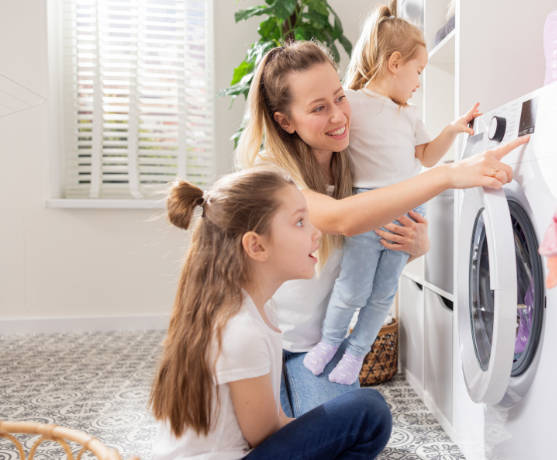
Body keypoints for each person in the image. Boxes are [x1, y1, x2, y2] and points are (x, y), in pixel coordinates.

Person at [237, 41, 528, 416]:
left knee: (359, 422)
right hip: (262, 345)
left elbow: (360, 259)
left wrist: (412, 250)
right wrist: (447, 175)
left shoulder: (358, 167)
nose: (339, 116)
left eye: (340, 98)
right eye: (318, 108)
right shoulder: (272, 175)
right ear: (285, 121)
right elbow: (341, 218)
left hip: (317, 346)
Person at [149, 170, 393, 460]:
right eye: (300, 221)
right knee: (369, 412)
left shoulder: (257, 308)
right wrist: (328, 436)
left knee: (357, 414)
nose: (315, 232)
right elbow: (264, 436)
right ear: (257, 246)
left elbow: (273, 424)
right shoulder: (241, 329)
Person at [303, 0, 483, 385]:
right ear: (394, 62)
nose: (419, 80)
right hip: (366, 210)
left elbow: (429, 158)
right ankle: (329, 344)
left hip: (406, 214)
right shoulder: (352, 103)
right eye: (418, 70)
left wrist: (451, 130)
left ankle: (355, 355)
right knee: (352, 289)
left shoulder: (411, 114)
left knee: (383, 296)